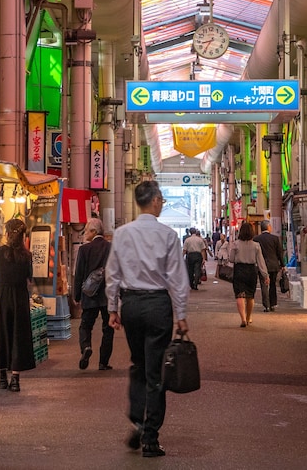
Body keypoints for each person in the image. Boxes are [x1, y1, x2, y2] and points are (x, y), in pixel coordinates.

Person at [105, 181, 189, 458]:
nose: (162, 203)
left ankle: (137, 421)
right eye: (161, 199)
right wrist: (181, 314)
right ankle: (150, 437)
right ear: (153, 201)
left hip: (131, 304)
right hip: (157, 306)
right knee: (156, 371)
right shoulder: (168, 235)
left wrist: (113, 308)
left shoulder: (122, 234)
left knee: (138, 364)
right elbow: (177, 278)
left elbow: (113, 274)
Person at [0, 218, 36, 391]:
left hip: (2, 297)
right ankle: (15, 379)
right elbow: (29, 278)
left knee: (2, 333)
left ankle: (2, 377)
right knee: (18, 335)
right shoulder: (27, 256)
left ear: (7, 234)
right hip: (20, 297)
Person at [73, 218, 114, 371]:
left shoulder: (84, 250)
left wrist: (77, 296)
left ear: (94, 231)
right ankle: (103, 362)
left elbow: (79, 274)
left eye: (86, 231)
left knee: (85, 325)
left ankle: (86, 347)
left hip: (89, 294)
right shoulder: (110, 247)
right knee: (108, 329)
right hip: (107, 294)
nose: (84, 233)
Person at [231, 221, 269, 327]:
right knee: (250, 296)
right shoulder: (256, 245)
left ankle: (243, 319)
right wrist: (265, 275)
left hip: (239, 270)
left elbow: (231, 259)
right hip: (251, 271)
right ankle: (248, 317)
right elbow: (261, 262)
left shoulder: (235, 244)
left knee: (239, 295)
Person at [253, 220, 284, 312]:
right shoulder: (275, 238)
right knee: (273, 284)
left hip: (261, 265)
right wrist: (282, 264)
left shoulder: (256, 239)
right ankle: (273, 304)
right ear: (268, 227)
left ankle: (266, 305)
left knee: (264, 285)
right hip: (273, 265)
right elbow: (279, 253)